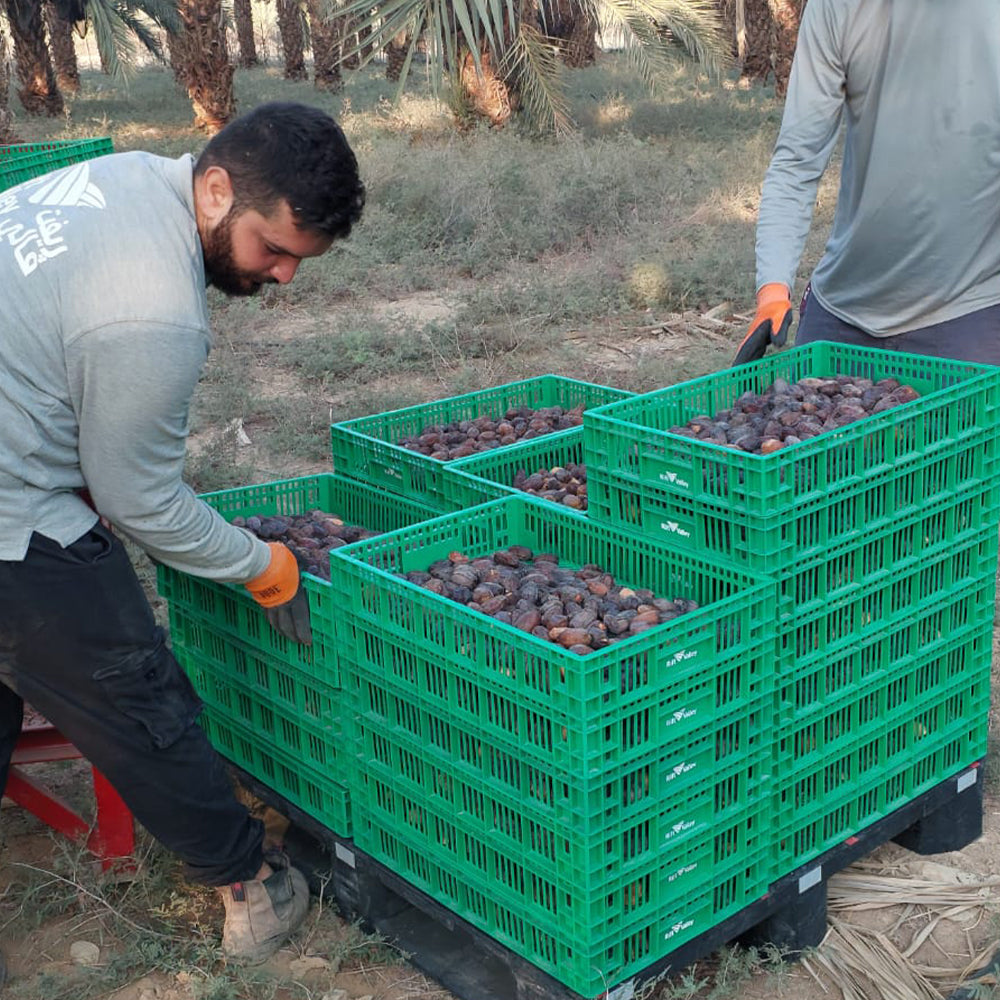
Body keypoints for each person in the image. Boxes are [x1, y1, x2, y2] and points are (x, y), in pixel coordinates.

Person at [0, 101, 365, 964]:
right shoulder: (151, 313)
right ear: (215, 189)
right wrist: (264, 568)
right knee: (138, 696)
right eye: (273, 250)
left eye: (299, 260)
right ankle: (249, 880)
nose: (283, 278)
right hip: (11, 520)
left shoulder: (122, 177)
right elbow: (142, 504)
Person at [734, 0, 1000, 367]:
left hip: (968, 313)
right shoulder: (836, 7)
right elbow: (797, 159)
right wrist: (773, 290)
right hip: (843, 313)